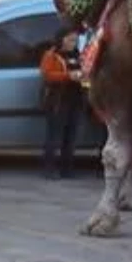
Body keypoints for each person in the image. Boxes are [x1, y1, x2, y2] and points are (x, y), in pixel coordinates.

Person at [39, 28, 83, 179]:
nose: (73, 43)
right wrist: (68, 76)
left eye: (75, 40)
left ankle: (67, 168)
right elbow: (47, 75)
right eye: (70, 40)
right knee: (54, 136)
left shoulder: (78, 55)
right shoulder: (52, 55)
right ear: (61, 39)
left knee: (70, 136)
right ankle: (49, 168)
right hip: (57, 100)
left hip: (75, 99)